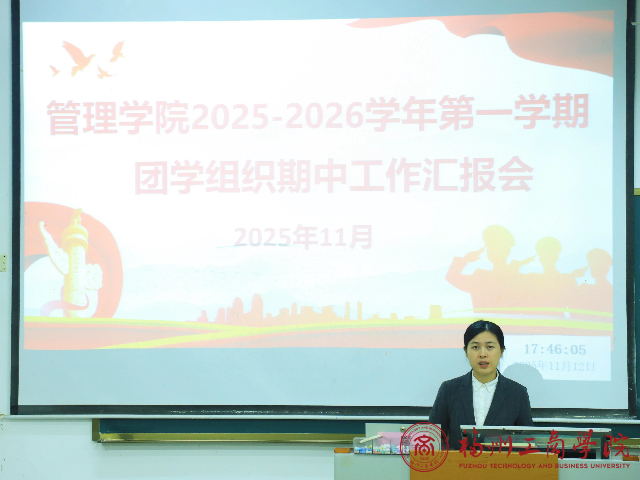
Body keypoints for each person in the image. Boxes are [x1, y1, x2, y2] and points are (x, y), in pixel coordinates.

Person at [429, 320, 533, 450]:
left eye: (490, 347)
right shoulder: (449, 389)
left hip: (501, 463)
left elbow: (526, 442)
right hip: (458, 462)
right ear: (466, 351)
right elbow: (434, 438)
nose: (482, 354)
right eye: (475, 347)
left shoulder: (517, 393)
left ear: (501, 351)